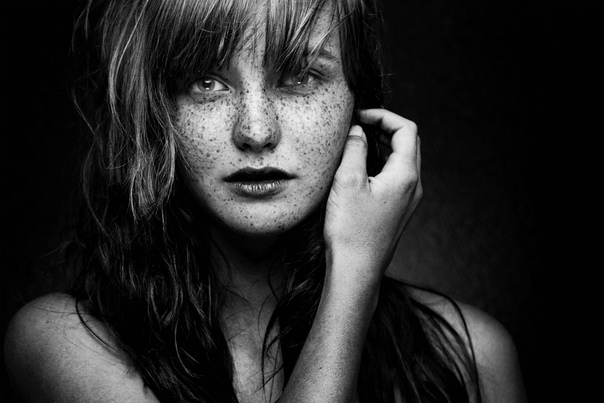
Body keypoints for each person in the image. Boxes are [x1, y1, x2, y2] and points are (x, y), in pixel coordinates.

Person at [4, 0, 526, 401]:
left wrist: (354, 266)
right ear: (156, 113)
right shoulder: (62, 344)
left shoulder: (473, 360)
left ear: (357, 102)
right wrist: (353, 274)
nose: (255, 131)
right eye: (206, 82)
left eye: (300, 76)